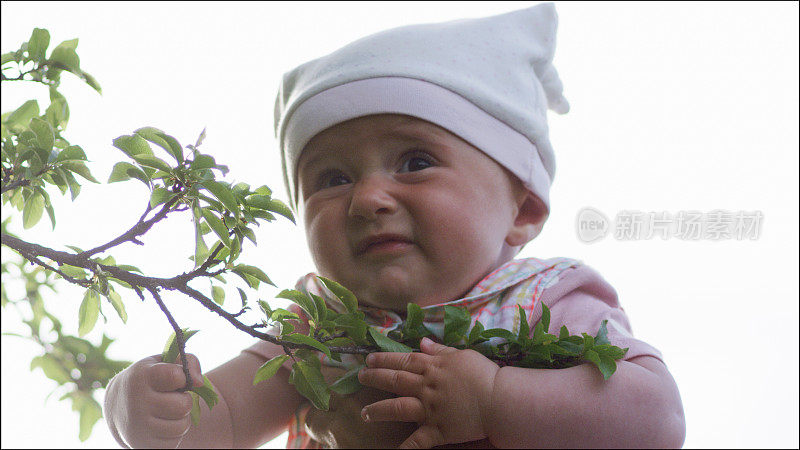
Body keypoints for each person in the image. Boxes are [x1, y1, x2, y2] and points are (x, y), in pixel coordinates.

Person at [103, 4, 685, 448]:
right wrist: (139, 414)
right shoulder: (318, 332)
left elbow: (657, 417)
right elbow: (225, 422)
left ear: (523, 208)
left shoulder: (542, 300)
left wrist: (494, 399)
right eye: (331, 178)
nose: (368, 198)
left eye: (415, 162)